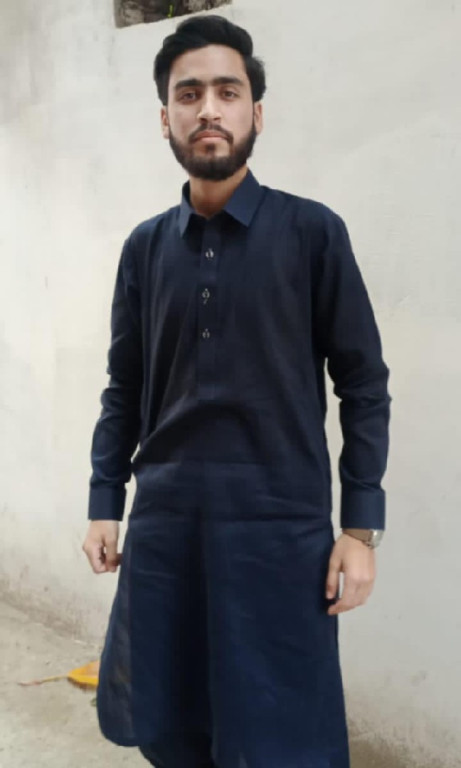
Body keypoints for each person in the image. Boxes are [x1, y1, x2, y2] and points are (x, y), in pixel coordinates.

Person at [82, 14, 391, 768]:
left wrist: (359, 529)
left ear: (257, 111)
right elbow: (125, 384)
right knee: (171, 721)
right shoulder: (144, 247)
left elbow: (362, 383)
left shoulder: (312, 233)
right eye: (188, 94)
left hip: (279, 531)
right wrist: (103, 499)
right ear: (166, 119)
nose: (209, 109)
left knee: (281, 733)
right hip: (166, 527)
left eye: (228, 91)